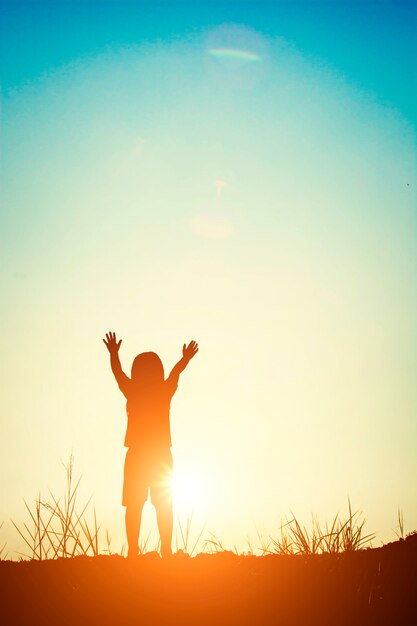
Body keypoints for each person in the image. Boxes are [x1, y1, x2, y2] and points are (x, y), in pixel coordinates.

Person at [103, 331, 198, 558]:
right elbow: (175, 373)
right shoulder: (163, 391)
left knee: (136, 506)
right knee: (161, 505)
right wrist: (185, 359)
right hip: (158, 456)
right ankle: (164, 550)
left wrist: (114, 354)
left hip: (140, 455)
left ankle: (135, 552)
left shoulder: (133, 391)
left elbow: (118, 373)